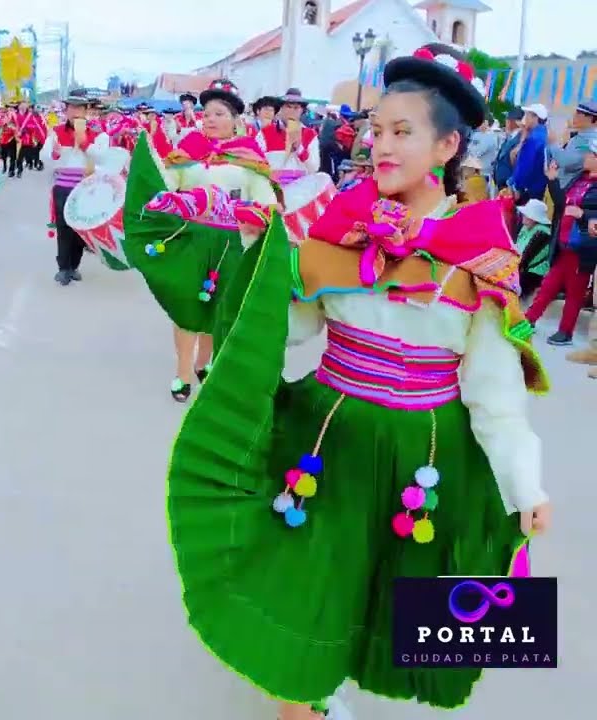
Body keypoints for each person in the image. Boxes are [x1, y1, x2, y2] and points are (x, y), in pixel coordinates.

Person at [144, 44, 550, 719]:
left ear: (447, 145)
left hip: (427, 457)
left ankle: (338, 677)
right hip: (324, 443)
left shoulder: (482, 251)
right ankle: (310, 689)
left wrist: (525, 486)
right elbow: (287, 327)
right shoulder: (340, 226)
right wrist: (252, 254)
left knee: (407, 591)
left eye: (403, 132)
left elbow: (495, 395)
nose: (381, 145)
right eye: (377, 130)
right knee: (308, 583)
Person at [123, 78, 277, 401]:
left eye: (219, 113)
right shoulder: (190, 148)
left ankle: (203, 363)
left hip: (232, 245)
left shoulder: (248, 156)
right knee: (185, 307)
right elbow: (165, 183)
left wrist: (244, 211)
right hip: (190, 240)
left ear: (236, 120)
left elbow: (269, 204)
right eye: (206, 113)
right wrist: (147, 159)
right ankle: (182, 371)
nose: (209, 118)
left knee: (218, 309)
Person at [525, 150, 597, 345]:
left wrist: (583, 214)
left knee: (575, 292)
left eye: (593, 155)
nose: (587, 157)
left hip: (582, 247)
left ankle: (565, 331)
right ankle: (529, 319)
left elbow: (585, 213)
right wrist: (553, 180)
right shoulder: (579, 179)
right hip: (564, 242)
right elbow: (561, 203)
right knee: (549, 284)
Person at [41, 89, 111, 287]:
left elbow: (102, 158)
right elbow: (44, 157)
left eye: (79, 108)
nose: (75, 112)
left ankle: (74, 266)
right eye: (71, 107)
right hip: (63, 186)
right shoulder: (56, 133)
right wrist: (54, 154)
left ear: (86, 111)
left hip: (85, 187)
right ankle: (63, 268)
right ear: (66, 111)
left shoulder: (99, 135)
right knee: (64, 228)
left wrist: (85, 144)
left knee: (80, 228)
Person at [507, 103, 549, 203]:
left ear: (535, 117)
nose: (525, 118)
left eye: (528, 115)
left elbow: (525, 166)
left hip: (528, 190)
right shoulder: (544, 135)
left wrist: (516, 186)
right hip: (538, 188)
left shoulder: (534, 139)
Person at [551, 102, 597, 188]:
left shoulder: (587, 141)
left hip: (571, 187)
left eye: (579, 113)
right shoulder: (581, 136)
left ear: (591, 118)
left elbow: (566, 162)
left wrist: (553, 144)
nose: (574, 116)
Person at [515, 198, 552, 296]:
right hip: (520, 268)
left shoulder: (542, 233)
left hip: (534, 273)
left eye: (526, 214)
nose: (523, 216)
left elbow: (526, 258)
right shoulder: (526, 228)